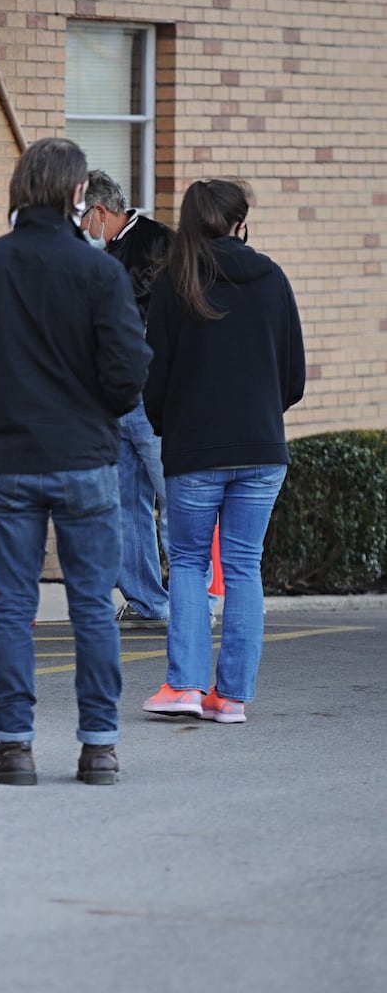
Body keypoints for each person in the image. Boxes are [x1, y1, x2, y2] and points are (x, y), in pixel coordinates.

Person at [0, 137, 151, 786]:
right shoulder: (101, 273)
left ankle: (15, 745)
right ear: (78, 195)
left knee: (13, 607)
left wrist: (1, 399)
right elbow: (128, 374)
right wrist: (93, 407)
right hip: (86, 457)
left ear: (20, 192)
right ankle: (100, 747)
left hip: (14, 455)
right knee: (90, 605)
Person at [141, 178, 305, 724]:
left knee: (187, 561)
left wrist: (167, 424)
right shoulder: (273, 279)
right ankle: (230, 698)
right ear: (240, 222)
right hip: (262, 447)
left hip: (195, 448)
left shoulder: (174, 282)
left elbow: (155, 378)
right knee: (242, 566)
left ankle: (185, 687)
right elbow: (294, 378)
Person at [80, 170, 175, 631]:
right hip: (115, 396)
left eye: (83, 218)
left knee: (172, 495)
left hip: (149, 392)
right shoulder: (112, 250)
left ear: (100, 212)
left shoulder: (157, 244)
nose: (81, 229)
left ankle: (194, 601)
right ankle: (147, 601)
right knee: (125, 502)